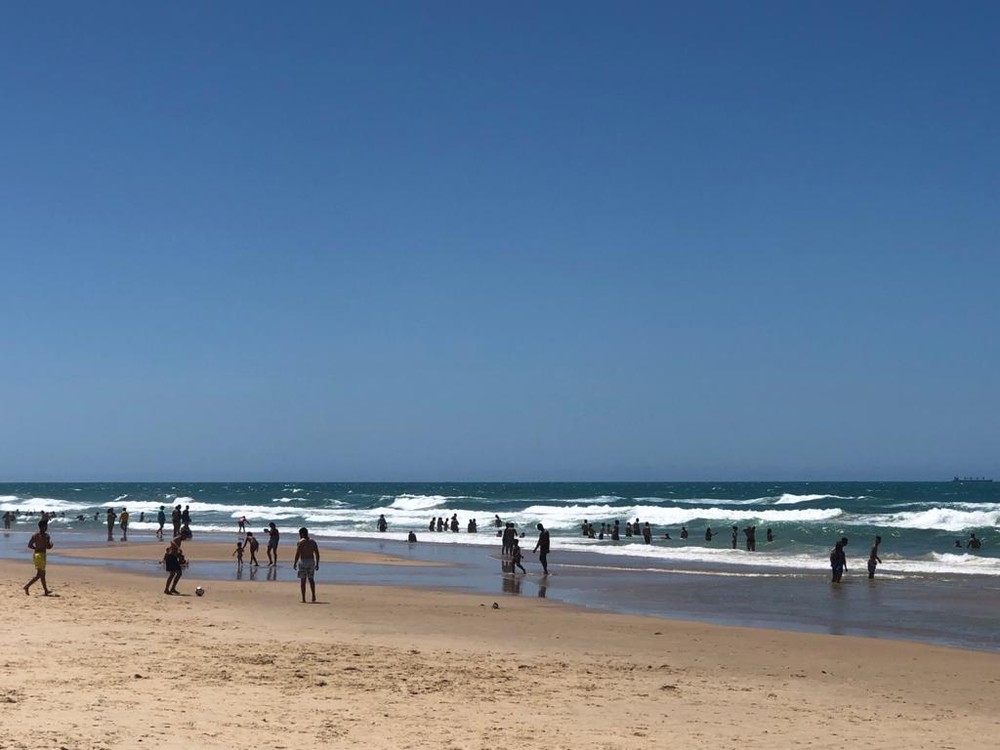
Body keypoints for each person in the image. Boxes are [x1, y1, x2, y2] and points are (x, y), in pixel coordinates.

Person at [24, 520, 53, 596]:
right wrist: (51, 545)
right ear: (44, 527)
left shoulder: (35, 535)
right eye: (46, 526)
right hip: (42, 555)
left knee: (42, 574)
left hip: (36, 555)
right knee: (40, 574)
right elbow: (48, 546)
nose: (47, 527)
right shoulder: (46, 536)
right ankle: (27, 586)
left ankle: (46, 591)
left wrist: (36, 548)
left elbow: (29, 545)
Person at [293, 527, 320, 603]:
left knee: (303, 580)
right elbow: (317, 554)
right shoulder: (313, 542)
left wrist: (295, 563)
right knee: (311, 579)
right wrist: (317, 564)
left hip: (303, 561)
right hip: (311, 561)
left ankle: (303, 598)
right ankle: (313, 595)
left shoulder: (300, 542)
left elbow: (298, 553)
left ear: (302, 534)